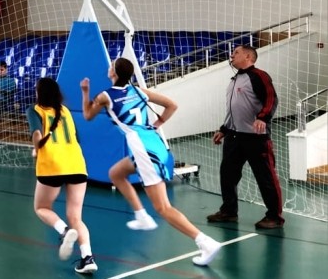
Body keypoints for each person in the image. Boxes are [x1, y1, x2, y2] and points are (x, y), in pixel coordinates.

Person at [81, 57, 221, 267]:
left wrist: (85, 92)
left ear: (114, 73)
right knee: (116, 173)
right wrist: (157, 124)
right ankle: (141, 215)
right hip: (154, 143)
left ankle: (205, 242)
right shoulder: (138, 91)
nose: (109, 67)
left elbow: (87, 115)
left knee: (163, 208)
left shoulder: (105, 96)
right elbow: (172, 105)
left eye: (111, 65)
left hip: (143, 150)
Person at [207, 44, 284, 229]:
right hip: (234, 137)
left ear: (248, 57)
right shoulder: (234, 80)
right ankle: (229, 212)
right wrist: (223, 129)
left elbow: (271, 99)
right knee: (227, 175)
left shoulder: (259, 76)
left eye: (236, 53)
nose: (232, 55)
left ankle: (274, 217)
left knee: (266, 177)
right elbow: (233, 110)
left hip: (256, 138)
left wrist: (263, 117)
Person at [27, 77, 98, 274]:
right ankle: (88, 258)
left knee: (42, 208)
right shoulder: (65, 111)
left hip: (53, 165)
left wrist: (36, 148)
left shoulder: (35, 110)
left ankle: (64, 230)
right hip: (76, 164)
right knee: (76, 217)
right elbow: (76, 139)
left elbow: (37, 135)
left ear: (39, 93)